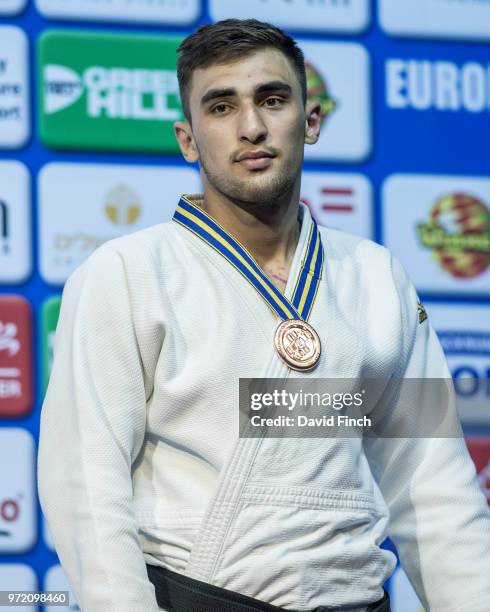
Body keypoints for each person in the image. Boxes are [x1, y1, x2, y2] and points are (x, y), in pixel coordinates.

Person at [38, 18, 490, 612]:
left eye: (272, 100)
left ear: (311, 121)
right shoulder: (125, 275)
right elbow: (85, 487)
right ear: (188, 139)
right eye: (221, 107)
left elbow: (434, 485)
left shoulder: (378, 277)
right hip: (197, 598)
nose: (251, 127)